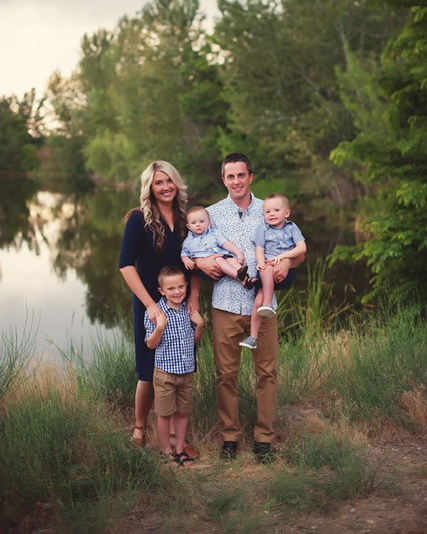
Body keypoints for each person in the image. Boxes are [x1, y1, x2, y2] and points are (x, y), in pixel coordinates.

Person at [193, 153, 305, 463]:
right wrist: (202, 263)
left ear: (250, 177)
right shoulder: (211, 214)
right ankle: (230, 437)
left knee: (267, 373)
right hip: (225, 304)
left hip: (263, 304)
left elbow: (298, 252)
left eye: (241, 175)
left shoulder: (270, 208)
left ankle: (264, 438)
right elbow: (194, 250)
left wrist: (288, 263)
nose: (236, 181)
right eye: (230, 176)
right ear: (223, 179)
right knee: (225, 374)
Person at [119, 160, 199, 449]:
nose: (165, 187)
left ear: (176, 183)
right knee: (148, 368)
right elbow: (126, 265)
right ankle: (139, 428)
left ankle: (176, 436)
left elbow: (197, 261)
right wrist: (151, 305)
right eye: (158, 183)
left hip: (180, 303)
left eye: (169, 181)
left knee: (179, 366)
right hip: (149, 304)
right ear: (150, 188)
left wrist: (193, 297)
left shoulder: (187, 219)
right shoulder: (139, 219)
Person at [144, 266, 204, 465]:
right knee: (165, 414)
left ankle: (179, 450)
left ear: (186, 286)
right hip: (165, 373)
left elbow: (194, 340)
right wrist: (160, 327)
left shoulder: (189, 310)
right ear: (161, 291)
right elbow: (150, 344)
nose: (177, 292)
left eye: (180, 287)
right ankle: (166, 451)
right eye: (171, 288)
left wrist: (200, 325)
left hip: (186, 371)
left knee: (182, 413)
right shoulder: (155, 313)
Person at [239, 193, 306, 350]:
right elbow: (259, 249)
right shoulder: (263, 228)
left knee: (261, 298)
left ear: (286, 213)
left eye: (276, 210)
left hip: (283, 266)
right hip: (267, 267)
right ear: (264, 214)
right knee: (258, 301)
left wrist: (283, 257)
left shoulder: (292, 228)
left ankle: (267, 303)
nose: (272, 214)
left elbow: (302, 248)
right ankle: (253, 337)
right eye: (268, 211)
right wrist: (260, 260)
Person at [181, 206, 256, 289]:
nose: (198, 224)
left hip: (222, 257)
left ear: (209, 223)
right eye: (193, 223)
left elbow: (226, 243)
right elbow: (184, 254)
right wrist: (186, 260)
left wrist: (238, 253)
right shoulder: (188, 241)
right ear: (188, 227)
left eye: (201, 221)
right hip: (209, 267)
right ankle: (237, 275)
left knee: (232, 260)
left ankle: (246, 280)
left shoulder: (214, 233)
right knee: (219, 259)